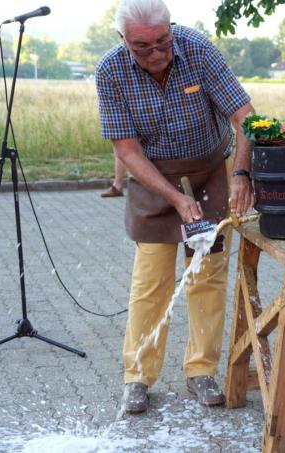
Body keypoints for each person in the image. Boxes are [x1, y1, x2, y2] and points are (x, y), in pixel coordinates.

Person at [94, 0, 255, 414]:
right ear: (123, 39)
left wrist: (241, 174)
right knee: (151, 280)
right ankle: (138, 376)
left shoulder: (197, 49)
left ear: (171, 28)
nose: (156, 53)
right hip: (153, 176)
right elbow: (127, 151)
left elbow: (245, 118)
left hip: (210, 171)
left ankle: (202, 370)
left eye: (162, 41)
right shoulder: (110, 71)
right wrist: (175, 197)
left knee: (207, 274)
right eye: (142, 46)